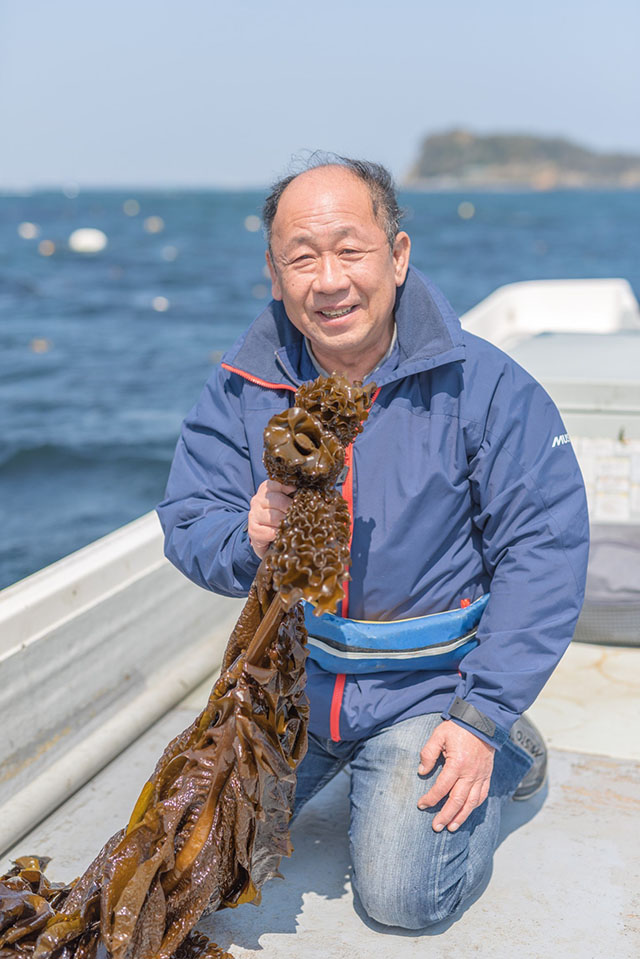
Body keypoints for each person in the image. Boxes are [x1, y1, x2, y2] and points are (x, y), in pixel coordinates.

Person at [157, 157, 589, 929]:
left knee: (401, 899)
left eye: (350, 250)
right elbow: (189, 519)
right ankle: (360, 760)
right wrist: (246, 535)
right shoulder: (242, 385)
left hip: (433, 689)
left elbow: (544, 551)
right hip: (298, 687)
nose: (329, 281)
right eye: (302, 258)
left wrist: (483, 713)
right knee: (190, 863)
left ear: (397, 255)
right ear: (274, 273)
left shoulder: (488, 386)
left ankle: (507, 745)